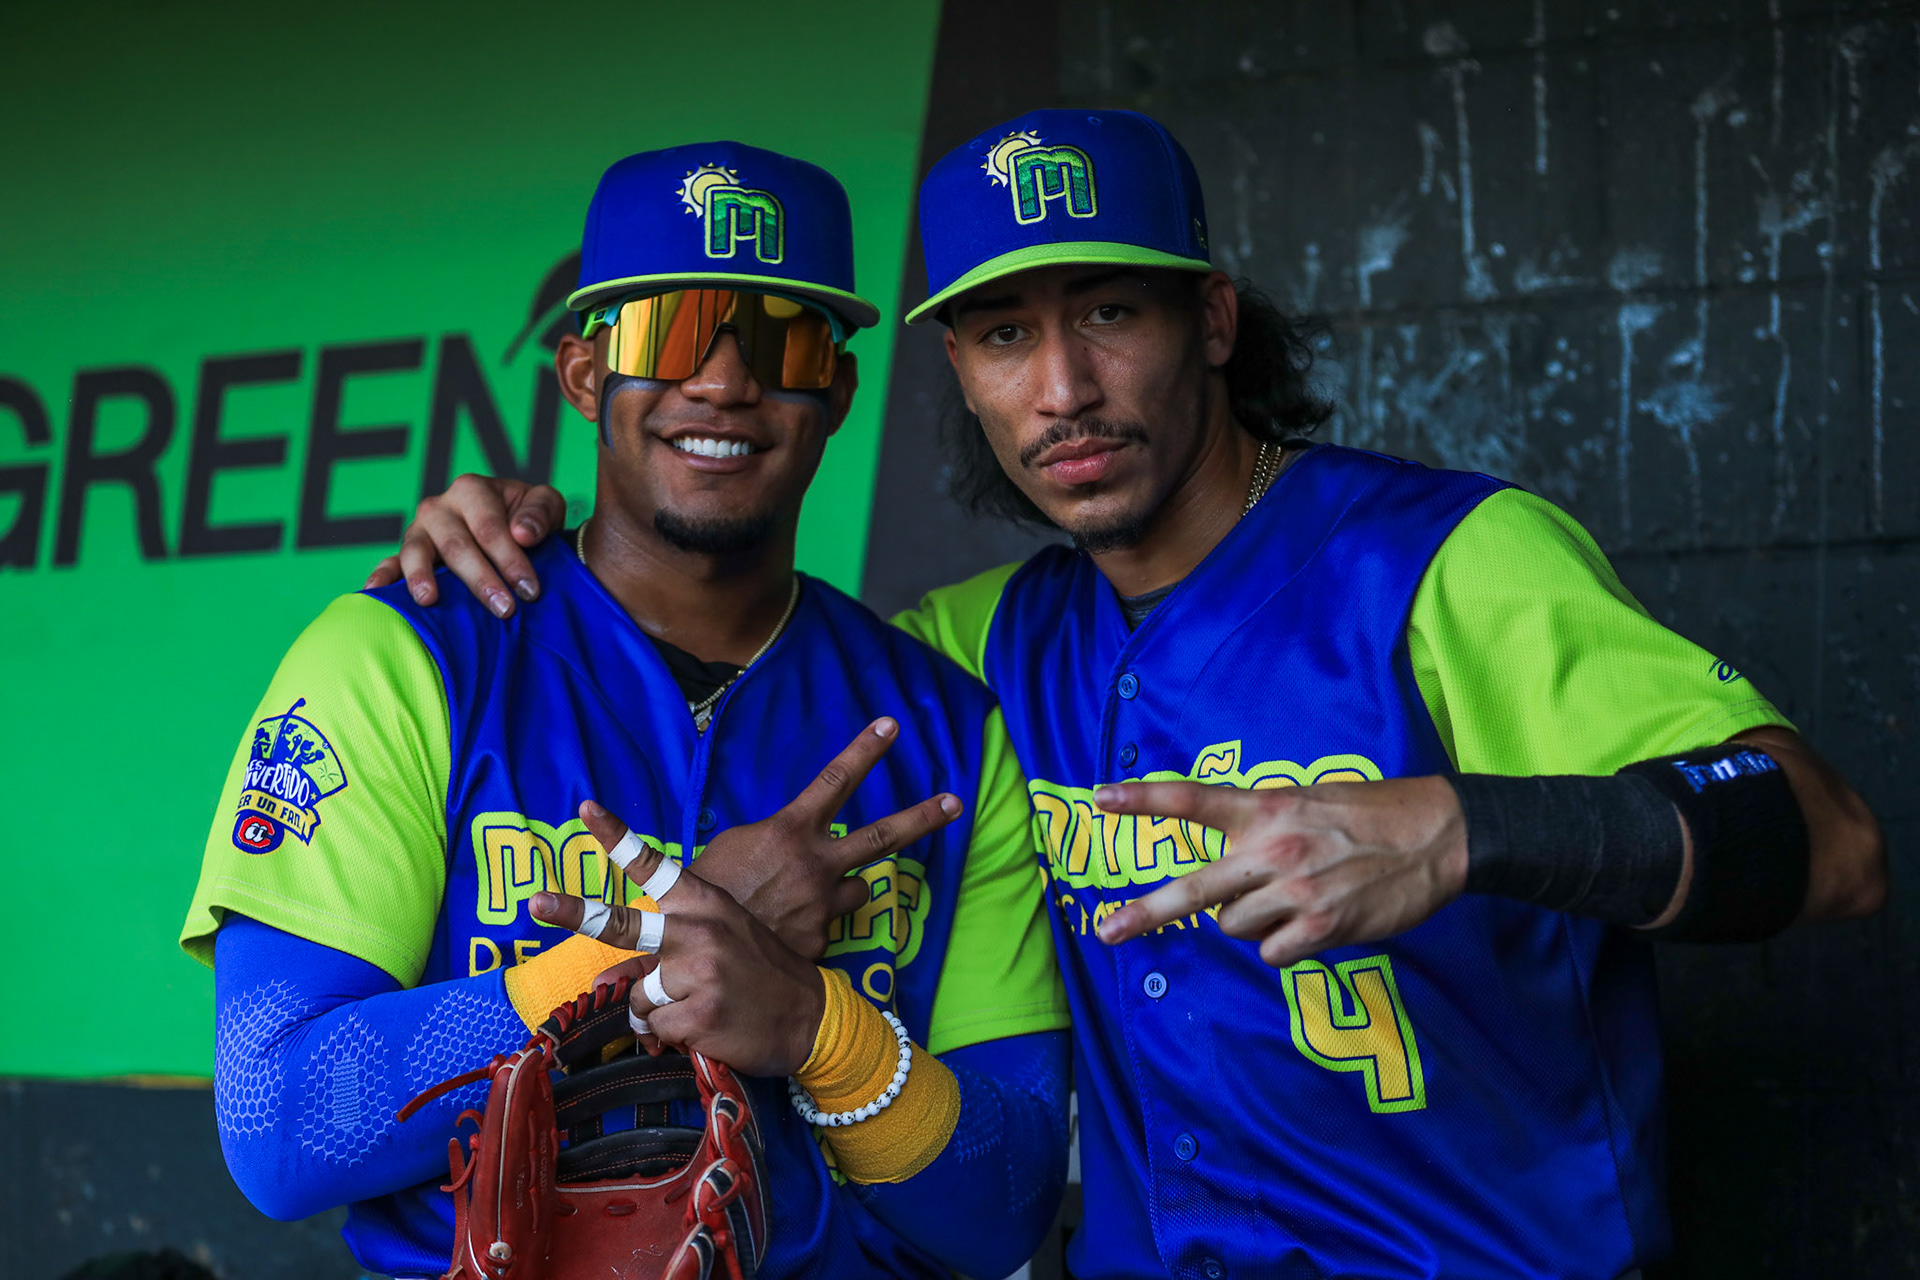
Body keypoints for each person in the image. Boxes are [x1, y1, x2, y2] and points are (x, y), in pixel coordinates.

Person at [368, 111, 1887, 1279]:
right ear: (955, 369)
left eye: (1111, 313)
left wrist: (1456, 829)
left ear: (1211, 323)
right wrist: (526, 527)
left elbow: (1830, 844)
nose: (1064, 390)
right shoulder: (965, 658)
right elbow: (703, 624)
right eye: (1006, 333)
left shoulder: (1443, 565)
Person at [181, 140, 1071, 1280]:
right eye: (671, 333)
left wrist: (812, 1023)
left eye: (784, 341)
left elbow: (1009, 1202)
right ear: (586, 375)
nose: (723, 381)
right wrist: (623, 967)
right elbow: (280, 1122)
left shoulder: (946, 728)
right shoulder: (403, 652)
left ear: (837, 392)